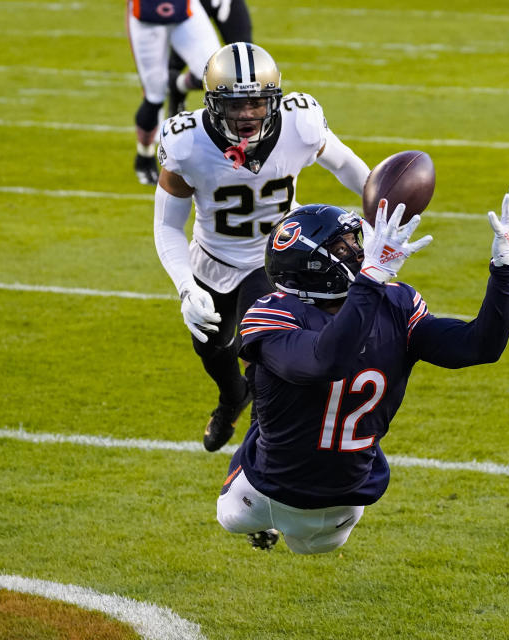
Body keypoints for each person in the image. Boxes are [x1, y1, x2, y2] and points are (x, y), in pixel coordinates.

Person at [215, 185, 509, 554]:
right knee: (268, 392)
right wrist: (371, 282)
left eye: (355, 241)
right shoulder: (288, 311)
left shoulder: (384, 304)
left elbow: (479, 347)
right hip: (329, 500)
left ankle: (262, 523)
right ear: (314, 266)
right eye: (343, 246)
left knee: (258, 412)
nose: (361, 251)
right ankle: (278, 525)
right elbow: (326, 359)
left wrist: (504, 270)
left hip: (271, 497)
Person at [153, 42, 370, 453]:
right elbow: (167, 226)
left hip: (277, 260)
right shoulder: (187, 144)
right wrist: (185, 286)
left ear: (274, 99)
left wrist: (380, 214)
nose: (247, 114)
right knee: (213, 349)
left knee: (266, 367)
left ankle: (256, 470)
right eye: (234, 105)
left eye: (256, 102)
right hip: (212, 258)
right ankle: (230, 397)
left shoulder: (300, 125)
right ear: (213, 103)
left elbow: (347, 166)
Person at [127, 0, 222, 185]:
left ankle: (178, 85)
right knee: (154, 95)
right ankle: (144, 156)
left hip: (186, 9)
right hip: (147, 15)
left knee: (218, 75)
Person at [167, 0, 253, 117]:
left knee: (246, 64)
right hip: (191, 4)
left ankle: (179, 84)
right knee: (176, 66)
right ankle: (159, 111)